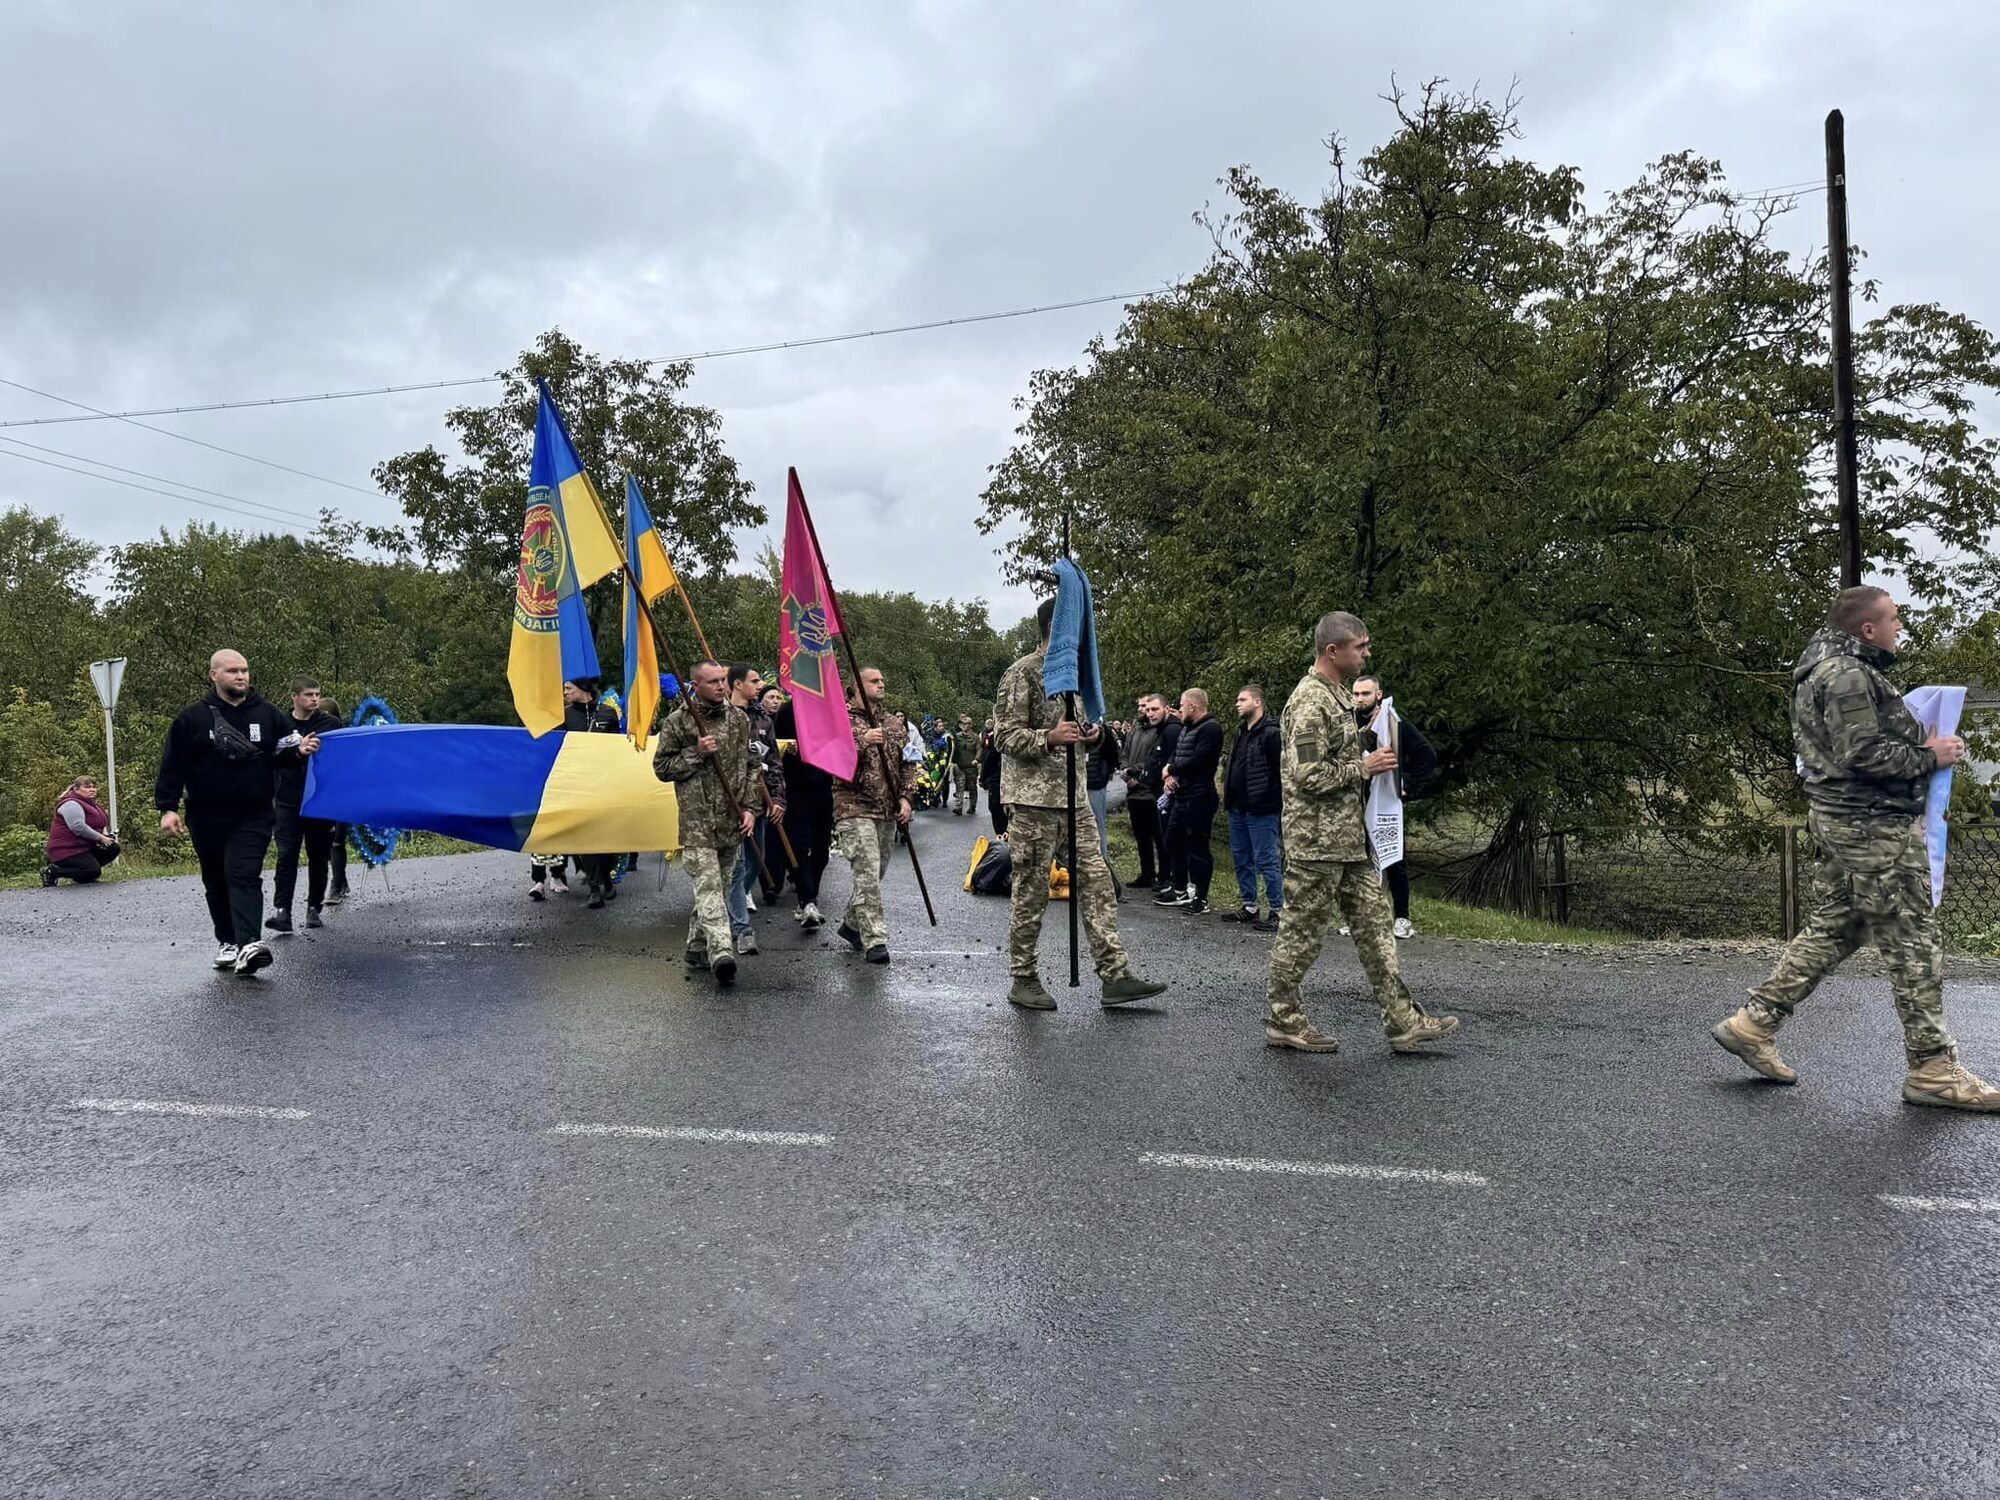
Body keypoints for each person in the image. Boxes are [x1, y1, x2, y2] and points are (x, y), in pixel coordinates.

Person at [1713, 586, 2000, 1110]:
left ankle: (1753, 1024)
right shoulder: (1846, 674)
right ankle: (1934, 1070)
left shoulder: (1828, 669)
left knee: (1840, 925)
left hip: (1845, 824)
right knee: (1913, 942)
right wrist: (1929, 755)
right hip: (1872, 831)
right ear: (1867, 629)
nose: (1899, 628)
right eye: (1892, 620)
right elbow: (1862, 752)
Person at [1263, 613, 1460, 1054]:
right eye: (1360, 646)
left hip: (1349, 841)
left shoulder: (1337, 696)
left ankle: (1403, 1020)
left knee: (1375, 927)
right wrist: (1362, 767)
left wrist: (1370, 755)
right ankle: (1284, 1018)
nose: (1367, 653)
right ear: (1333, 651)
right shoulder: (1310, 701)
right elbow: (1307, 772)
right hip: (1316, 844)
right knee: (1301, 934)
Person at [995, 597, 1166, 1012]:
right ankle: (1024, 976)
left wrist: (1091, 735)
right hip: (1034, 803)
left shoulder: (1073, 678)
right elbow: (1004, 735)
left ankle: (1114, 974)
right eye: (1076, 626)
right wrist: (1048, 738)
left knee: (1098, 882)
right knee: (1031, 893)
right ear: (1055, 627)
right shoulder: (1023, 674)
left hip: (1074, 800)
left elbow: (1085, 730)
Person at [155, 648, 321, 977]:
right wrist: (168, 808)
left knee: (243, 874)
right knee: (215, 879)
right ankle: (228, 942)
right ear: (214, 675)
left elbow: (285, 749)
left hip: (254, 814)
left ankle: (250, 944)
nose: (241, 676)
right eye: (232, 671)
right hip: (206, 815)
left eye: (244, 670)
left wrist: (299, 751)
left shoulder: (268, 714)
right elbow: (173, 766)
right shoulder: (192, 719)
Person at [652, 660, 758, 988]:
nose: (721, 686)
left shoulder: (739, 719)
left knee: (721, 888)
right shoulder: (679, 722)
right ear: (695, 685)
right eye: (712, 681)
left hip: (731, 820)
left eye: (723, 679)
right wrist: (695, 752)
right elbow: (662, 767)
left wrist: (750, 808)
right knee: (708, 886)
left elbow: (752, 765)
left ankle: (696, 947)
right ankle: (721, 952)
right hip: (697, 820)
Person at [831, 667, 916, 964]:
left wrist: (906, 797)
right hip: (854, 806)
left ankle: (852, 925)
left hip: (887, 809)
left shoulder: (894, 723)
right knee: (866, 874)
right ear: (855, 685)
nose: (881, 684)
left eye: (882, 680)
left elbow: (908, 763)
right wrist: (861, 740)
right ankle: (875, 940)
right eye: (874, 681)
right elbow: (831, 761)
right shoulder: (838, 720)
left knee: (875, 875)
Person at [1352, 675, 1438, 940]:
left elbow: (1427, 755)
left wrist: (1407, 786)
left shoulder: (1393, 723)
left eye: (1365, 694)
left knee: (1393, 858)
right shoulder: (1348, 722)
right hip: (1357, 797)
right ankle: (1362, 917)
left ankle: (1402, 917)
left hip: (1386, 798)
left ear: (1378, 694)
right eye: (1355, 694)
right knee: (1359, 860)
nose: (1359, 699)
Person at [266, 677, 343, 933]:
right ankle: (282, 911)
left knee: (318, 856)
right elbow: (271, 757)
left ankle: (314, 908)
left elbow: (340, 760)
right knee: (287, 854)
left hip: (319, 799)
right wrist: (297, 751)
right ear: (294, 697)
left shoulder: (330, 724)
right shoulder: (281, 723)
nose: (314, 699)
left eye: (318, 694)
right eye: (309, 694)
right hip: (288, 798)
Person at [724, 664, 785, 955]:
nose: (760, 685)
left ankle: (727, 903)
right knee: (735, 868)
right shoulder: (722, 716)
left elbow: (773, 762)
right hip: (728, 806)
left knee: (756, 860)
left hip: (758, 804)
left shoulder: (763, 719)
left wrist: (779, 799)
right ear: (737, 685)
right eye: (755, 680)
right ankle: (741, 927)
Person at [1222, 684, 1283, 930]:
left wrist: (1270, 799)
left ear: (1257, 702)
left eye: (1242, 699)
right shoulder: (1241, 732)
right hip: (1237, 806)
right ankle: (1250, 905)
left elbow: (1281, 771)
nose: (1238, 703)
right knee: (1241, 857)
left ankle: (1278, 910)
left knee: (1267, 859)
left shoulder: (1271, 733)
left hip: (1262, 808)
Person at [1156, 688, 1222, 914]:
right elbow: (1177, 753)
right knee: (1172, 840)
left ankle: (1201, 898)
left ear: (1193, 706)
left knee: (1198, 847)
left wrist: (1171, 769)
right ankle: (1180, 889)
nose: (1180, 709)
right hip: (1182, 795)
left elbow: (1199, 760)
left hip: (1200, 796)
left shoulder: (1211, 729)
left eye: (1183, 705)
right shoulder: (1186, 728)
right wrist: (1170, 774)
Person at [772, 695, 833, 931]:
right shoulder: (786, 712)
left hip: (823, 786)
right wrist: (786, 746)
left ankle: (810, 895)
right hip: (794, 787)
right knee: (798, 845)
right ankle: (807, 901)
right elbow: (771, 746)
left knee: (822, 849)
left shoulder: (829, 711)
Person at [564, 679, 623, 908]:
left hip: (605, 785)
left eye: (569, 688)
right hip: (577, 786)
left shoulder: (608, 713)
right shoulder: (565, 716)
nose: (565, 692)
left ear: (584, 689)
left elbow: (618, 749)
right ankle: (594, 887)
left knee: (606, 839)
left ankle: (606, 878)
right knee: (584, 838)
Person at [1122, 695, 1168, 890]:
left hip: (1150, 793)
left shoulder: (1159, 731)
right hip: (1133, 793)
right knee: (1141, 838)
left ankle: (1164, 875)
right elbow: (1124, 756)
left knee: (1159, 837)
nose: (1143, 710)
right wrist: (1127, 775)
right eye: (1141, 706)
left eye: (1147, 707)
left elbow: (1155, 759)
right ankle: (1146, 873)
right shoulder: (1134, 731)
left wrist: (1138, 775)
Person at [42, 777, 119, 886]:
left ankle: (83, 874)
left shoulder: (93, 805)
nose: (92, 790)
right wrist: (101, 838)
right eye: (87, 787)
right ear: (76, 789)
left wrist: (106, 835)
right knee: (93, 871)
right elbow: (78, 827)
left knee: (112, 848)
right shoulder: (71, 804)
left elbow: (102, 824)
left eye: (94, 787)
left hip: (84, 847)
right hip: (66, 850)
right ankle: (53, 871)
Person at [1084, 712, 1123, 897]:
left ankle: (1103, 874)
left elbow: (1114, 754)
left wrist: (1104, 773)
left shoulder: (1102, 729)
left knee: (1097, 827)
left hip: (1094, 784)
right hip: (1074, 784)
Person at [319, 696, 352, 905]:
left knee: (337, 841)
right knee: (325, 842)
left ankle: (336, 886)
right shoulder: (314, 738)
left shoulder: (345, 738)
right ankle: (342, 881)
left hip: (342, 795)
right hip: (323, 795)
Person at [979, 717, 1007, 836]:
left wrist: (983, 777)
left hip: (999, 779)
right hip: (1001, 778)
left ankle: (1002, 837)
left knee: (996, 809)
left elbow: (990, 759)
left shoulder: (997, 737)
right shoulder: (993, 736)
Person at [950, 713, 980, 816]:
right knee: (959, 786)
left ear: (971, 725)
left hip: (971, 766)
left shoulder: (975, 737)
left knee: (972, 787)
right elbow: (953, 747)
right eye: (962, 724)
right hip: (960, 765)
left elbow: (979, 750)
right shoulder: (957, 736)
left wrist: (977, 759)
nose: (964, 726)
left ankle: (972, 806)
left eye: (966, 724)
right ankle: (959, 807)